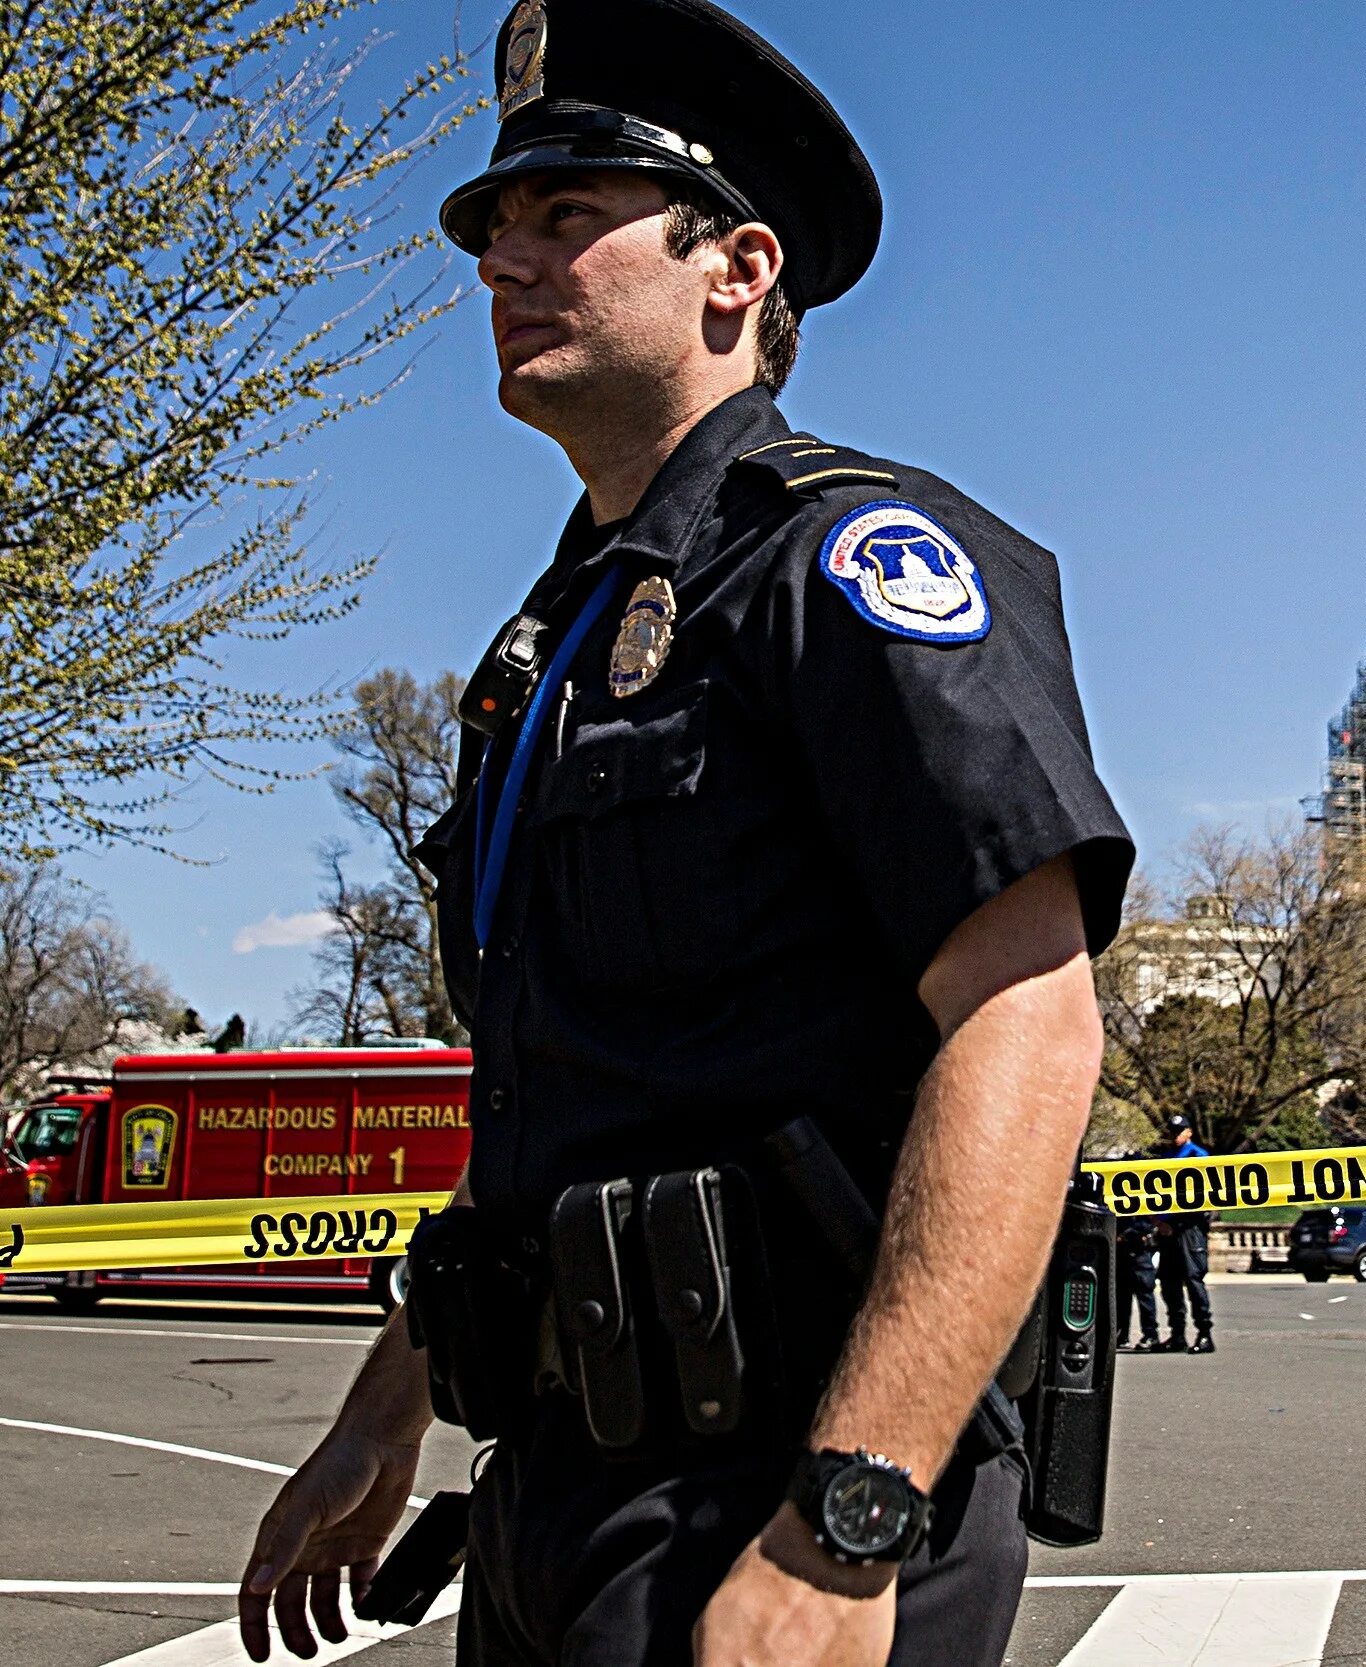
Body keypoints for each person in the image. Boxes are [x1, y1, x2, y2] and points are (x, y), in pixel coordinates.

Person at [232, 4, 1133, 1663]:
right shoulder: (554, 649)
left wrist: (853, 1517)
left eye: (566, 218)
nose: (506, 260)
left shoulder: (848, 563)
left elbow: (1030, 1019)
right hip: (555, 1485)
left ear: (737, 269)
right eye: (496, 228)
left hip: (772, 1484)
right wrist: (387, 1410)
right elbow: (568, 1107)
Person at [1151, 1115, 1214, 1354]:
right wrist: (1157, 1221)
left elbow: (1206, 1194)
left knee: (1193, 1278)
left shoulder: (1197, 1156)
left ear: (1189, 1132)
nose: (1175, 1134)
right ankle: (1177, 1334)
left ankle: (1204, 1332)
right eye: (1172, 1130)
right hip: (1167, 1229)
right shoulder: (1165, 1157)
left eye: (1179, 1130)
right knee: (1168, 1282)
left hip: (1189, 1227)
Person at [1115, 1213, 1159, 1353]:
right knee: (1121, 1295)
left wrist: (1129, 1232)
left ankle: (1150, 1334)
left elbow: (1148, 1221)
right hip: (1123, 1248)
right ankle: (1121, 1334)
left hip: (1139, 1247)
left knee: (1144, 1294)